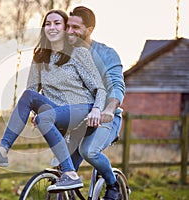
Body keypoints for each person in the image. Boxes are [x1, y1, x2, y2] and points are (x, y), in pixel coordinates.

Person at [0, 9, 107, 192]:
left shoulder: (78, 53)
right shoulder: (40, 56)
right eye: (48, 23)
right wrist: (32, 110)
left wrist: (97, 109)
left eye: (57, 23)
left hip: (81, 108)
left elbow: (99, 88)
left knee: (44, 118)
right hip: (56, 110)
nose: (52, 27)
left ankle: (70, 174)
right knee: (29, 97)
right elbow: (31, 90)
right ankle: (2, 151)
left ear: (65, 29)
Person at [66, 6, 126, 200]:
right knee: (63, 170)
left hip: (105, 118)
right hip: (77, 120)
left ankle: (112, 184)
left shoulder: (106, 54)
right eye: (68, 26)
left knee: (88, 151)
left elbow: (116, 85)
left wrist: (108, 110)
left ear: (89, 29)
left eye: (75, 27)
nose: (69, 31)